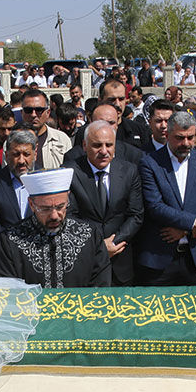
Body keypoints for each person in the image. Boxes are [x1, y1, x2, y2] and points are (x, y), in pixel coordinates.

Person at [136, 111, 196, 285]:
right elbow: (155, 206)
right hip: (160, 260)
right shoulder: (150, 163)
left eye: (190, 137)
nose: (186, 143)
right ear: (167, 135)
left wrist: (186, 229)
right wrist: (192, 223)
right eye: (180, 138)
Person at [0, 168, 111, 288]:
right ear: (32, 205)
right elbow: (7, 290)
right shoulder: (10, 240)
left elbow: (101, 286)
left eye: (60, 207)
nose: (54, 216)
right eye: (45, 209)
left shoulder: (89, 235)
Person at [66, 121, 144, 285]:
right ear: (85, 146)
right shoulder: (69, 172)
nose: (104, 151)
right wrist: (98, 247)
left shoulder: (129, 171)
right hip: (85, 261)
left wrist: (113, 243)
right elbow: (70, 216)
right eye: (97, 145)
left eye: (109, 145)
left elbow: (136, 214)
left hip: (120, 260)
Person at [0, 129, 37, 232]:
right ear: (7, 156)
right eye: (16, 155)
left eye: (26, 154)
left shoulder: (44, 179)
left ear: (35, 154)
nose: (21, 161)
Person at [21, 90, 71, 170]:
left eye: (39, 110)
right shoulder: (12, 142)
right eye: (28, 110)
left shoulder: (62, 139)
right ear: (21, 113)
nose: (33, 115)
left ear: (48, 113)